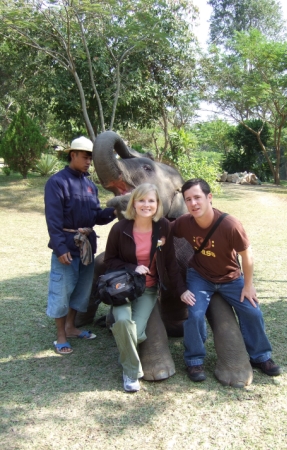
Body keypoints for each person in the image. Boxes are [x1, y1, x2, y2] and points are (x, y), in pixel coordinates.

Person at [172, 178, 282, 382]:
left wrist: (248, 286)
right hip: (200, 276)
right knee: (194, 314)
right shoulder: (184, 223)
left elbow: (246, 256)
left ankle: (261, 356)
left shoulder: (230, 224)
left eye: (197, 197)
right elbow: (165, 231)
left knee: (253, 311)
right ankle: (194, 360)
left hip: (231, 278)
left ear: (209, 197)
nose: (193, 203)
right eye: (188, 199)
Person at [104, 183, 187, 392]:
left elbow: (170, 263)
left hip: (148, 290)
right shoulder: (119, 229)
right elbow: (109, 261)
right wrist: (133, 267)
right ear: (133, 203)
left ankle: (126, 352)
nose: (146, 205)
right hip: (123, 287)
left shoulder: (163, 227)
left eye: (151, 201)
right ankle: (131, 374)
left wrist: (181, 290)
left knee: (136, 333)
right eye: (141, 200)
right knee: (123, 322)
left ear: (158, 204)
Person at [45, 136, 115, 355]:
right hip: (66, 246)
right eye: (85, 157)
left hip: (87, 247)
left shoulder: (89, 185)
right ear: (72, 155)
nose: (88, 162)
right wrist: (60, 248)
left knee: (81, 290)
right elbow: (53, 220)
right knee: (62, 291)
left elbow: (96, 216)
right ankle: (60, 336)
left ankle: (71, 327)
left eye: (90, 158)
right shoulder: (57, 182)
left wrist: (117, 208)